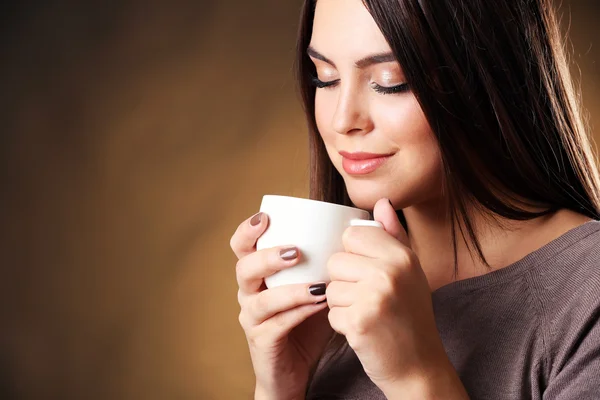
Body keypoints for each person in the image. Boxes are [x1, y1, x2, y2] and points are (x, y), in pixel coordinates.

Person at [229, 0, 600, 398]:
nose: (342, 120)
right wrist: (281, 386)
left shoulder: (585, 292)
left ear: (490, 72)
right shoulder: (335, 296)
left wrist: (416, 376)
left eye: (390, 80)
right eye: (325, 77)